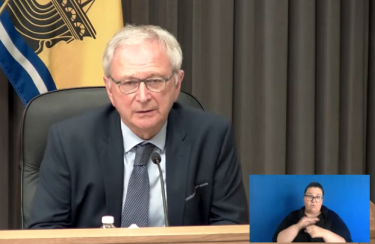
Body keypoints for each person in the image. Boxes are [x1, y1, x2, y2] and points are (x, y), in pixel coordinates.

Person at [27, 24, 248, 228]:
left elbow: (230, 225)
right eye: (129, 83)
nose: (143, 97)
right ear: (110, 89)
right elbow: (45, 230)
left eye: (154, 81)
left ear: (176, 84)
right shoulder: (70, 142)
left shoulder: (211, 137)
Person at [273, 182, 352, 242]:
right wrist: (298, 226)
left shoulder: (332, 217)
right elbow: (278, 241)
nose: (313, 200)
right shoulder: (293, 216)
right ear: (304, 198)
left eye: (318, 197)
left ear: (322, 200)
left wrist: (323, 233)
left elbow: (345, 241)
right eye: (310, 196)